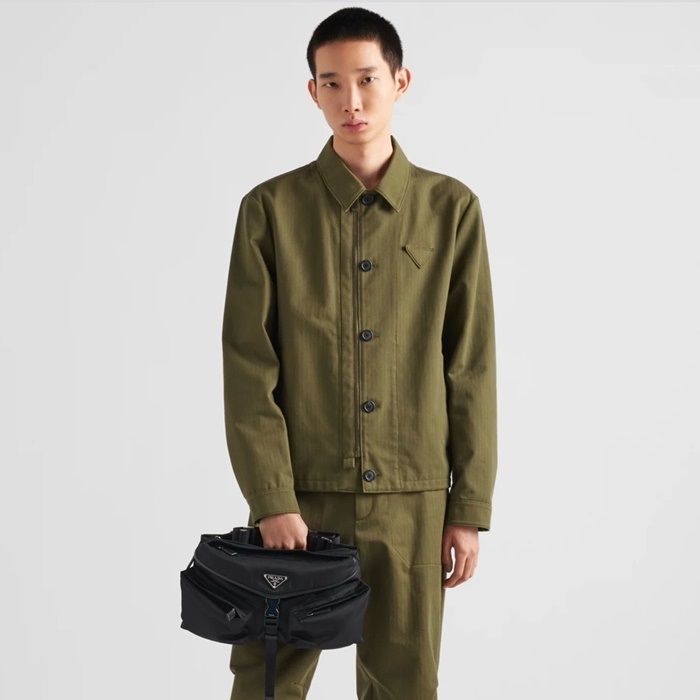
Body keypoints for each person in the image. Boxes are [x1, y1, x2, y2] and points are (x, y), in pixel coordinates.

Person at [221, 6, 498, 699]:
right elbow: (249, 366)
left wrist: (466, 506)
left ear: (400, 81)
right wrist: (272, 498)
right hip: (300, 501)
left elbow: (470, 366)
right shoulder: (270, 211)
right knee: (266, 682)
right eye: (332, 82)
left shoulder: (451, 210)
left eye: (368, 79)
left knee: (405, 686)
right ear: (311, 91)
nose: (352, 100)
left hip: (413, 502)